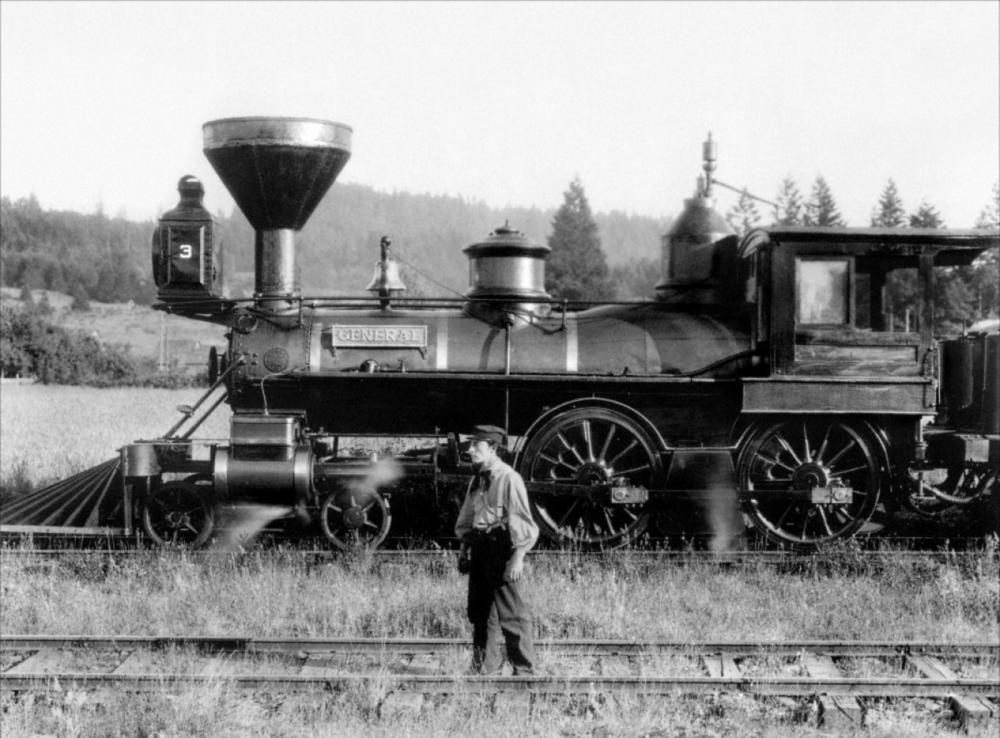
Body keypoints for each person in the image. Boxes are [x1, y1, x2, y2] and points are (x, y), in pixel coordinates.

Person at [455, 424, 539, 675]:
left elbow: (522, 520)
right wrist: (464, 549)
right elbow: (470, 516)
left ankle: (524, 670)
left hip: (502, 550)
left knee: (512, 614)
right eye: (471, 445)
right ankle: (484, 668)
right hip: (480, 549)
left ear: (492, 448)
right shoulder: (478, 478)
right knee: (481, 613)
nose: (470, 450)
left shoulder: (509, 478)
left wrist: (518, 557)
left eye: (476, 445)